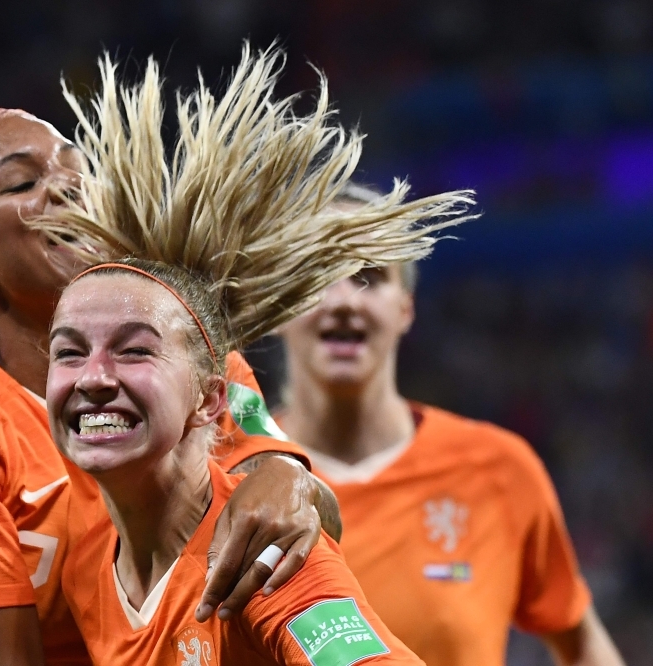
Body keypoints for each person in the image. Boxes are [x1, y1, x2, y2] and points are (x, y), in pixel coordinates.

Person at [0, 85, 340, 666]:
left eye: (77, 171)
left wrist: (288, 478)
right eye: (23, 184)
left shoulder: (186, 354)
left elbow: (311, 524)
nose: (70, 187)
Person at [42, 45, 474, 665]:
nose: (95, 377)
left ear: (210, 397)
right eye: (69, 353)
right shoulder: (87, 557)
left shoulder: (262, 552)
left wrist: (293, 478)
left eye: (134, 351)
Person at [278, 184, 626, 666]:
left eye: (371, 276)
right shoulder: (229, 474)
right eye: (320, 274)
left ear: (405, 308)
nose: (345, 301)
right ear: (278, 305)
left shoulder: (498, 470)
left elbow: (583, 642)